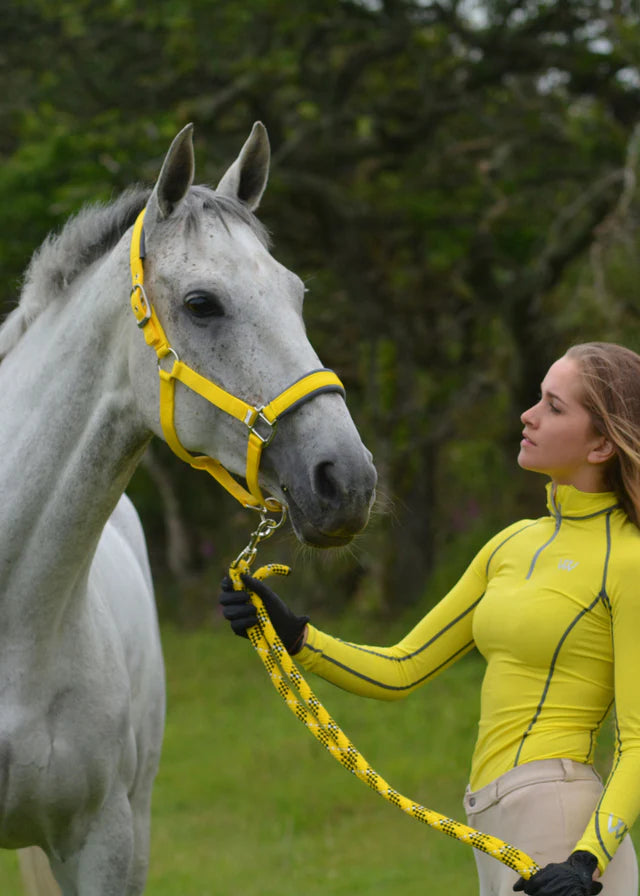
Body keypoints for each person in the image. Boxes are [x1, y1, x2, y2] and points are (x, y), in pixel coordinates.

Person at [220, 342, 640, 896]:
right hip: (489, 821)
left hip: (564, 830)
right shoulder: (510, 545)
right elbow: (403, 668)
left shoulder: (629, 561)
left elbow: (636, 741)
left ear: (603, 445)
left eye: (555, 407)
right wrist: (295, 635)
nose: (528, 415)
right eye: (538, 398)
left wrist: (587, 861)